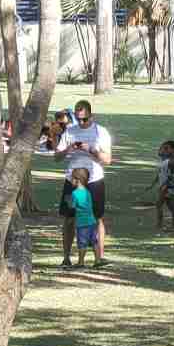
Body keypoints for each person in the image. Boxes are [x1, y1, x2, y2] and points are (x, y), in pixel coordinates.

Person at [56, 100, 112, 268]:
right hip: (72, 181)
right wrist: (69, 149)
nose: (81, 123)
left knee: (98, 218)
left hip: (94, 180)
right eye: (78, 119)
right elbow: (56, 157)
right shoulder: (70, 132)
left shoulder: (101, 132)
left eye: (84, 119)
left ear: (91, 116)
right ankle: (66, 258)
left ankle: (99, 258)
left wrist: (90, 149)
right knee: (69, 218)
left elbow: (108, 160)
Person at [69, 168, 100, 268]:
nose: (70, 180)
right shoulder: (87, 192)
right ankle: (97, 260)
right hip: (92, 221)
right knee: (94, 241)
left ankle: (81, 262)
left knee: (82, 243)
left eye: (72, 178)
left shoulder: (74, 193)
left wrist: (68, 202)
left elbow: (72, 206)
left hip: (82, 223)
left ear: (77, 180)